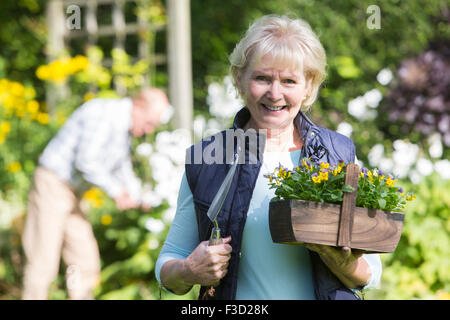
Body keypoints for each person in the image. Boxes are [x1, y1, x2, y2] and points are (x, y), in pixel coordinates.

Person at [155, 15, 382, 300]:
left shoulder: (338, 153)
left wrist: (341, 262)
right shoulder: (208, 159)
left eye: (289, 81)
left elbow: (370, 273)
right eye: (262, 78)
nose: (275, 94)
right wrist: (189, 269)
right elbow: (169, 262)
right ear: (239, 78)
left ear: (308, 86)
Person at [22, 88, 171, 300]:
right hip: (52, 185)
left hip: (73, 194)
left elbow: (120, 166)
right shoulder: (105, 114)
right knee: (43, 261)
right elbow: (86, 161)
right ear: (139, 107)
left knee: (84, 261)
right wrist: (116, 191)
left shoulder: (122, 127)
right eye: (149, 123)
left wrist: (137, 195)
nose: (148, 130)